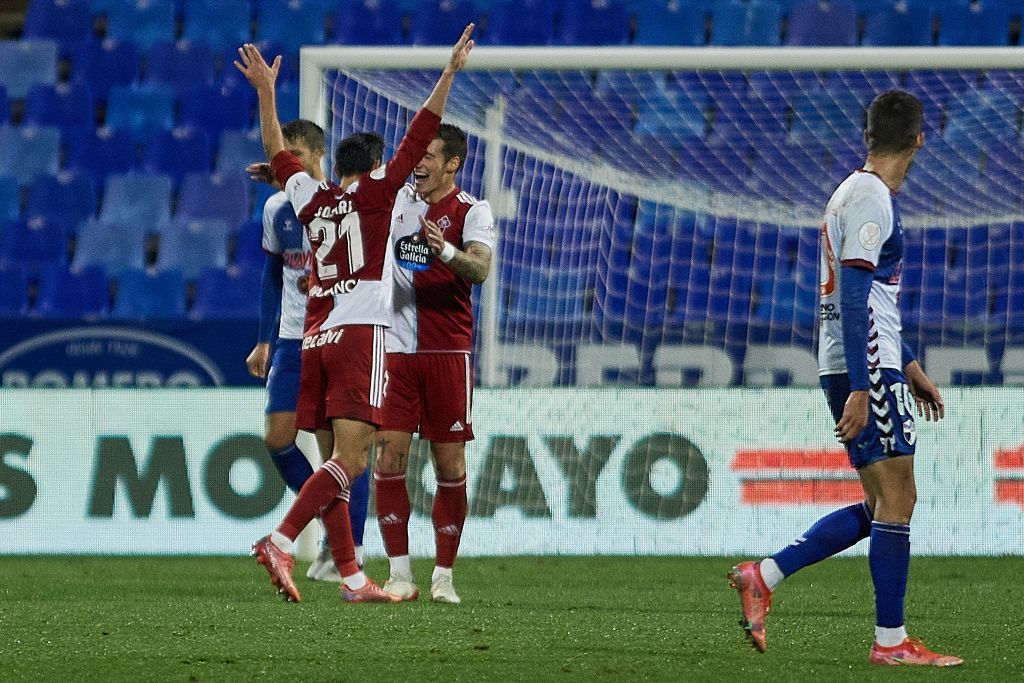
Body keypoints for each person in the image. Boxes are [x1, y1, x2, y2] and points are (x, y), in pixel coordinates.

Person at [234, 22, 474, 604]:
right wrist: (448, 73)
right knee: (352, 458)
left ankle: (352, 576)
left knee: (338, 458)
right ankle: (284, 539)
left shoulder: (309, 196)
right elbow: (420, 135)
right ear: (372, 169)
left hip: (312, 336)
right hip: (360, 335)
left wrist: (266, 93)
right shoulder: (377, 193)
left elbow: (276, 151)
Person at [729, 90, 962, 666]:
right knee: (898, 498)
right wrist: (865, 385)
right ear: (918, 140)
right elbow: (856, 298)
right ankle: (890, 643)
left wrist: (912, 370)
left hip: (869, 362)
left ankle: (765, 574)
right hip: (864, 367)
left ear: (867, 136)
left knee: (882, 502)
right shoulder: (872, 198)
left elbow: (873, 298)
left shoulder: (849, 193)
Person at [243, 118, 370, 583]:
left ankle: (346, 551)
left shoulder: (343, 206)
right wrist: (264, 339)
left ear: (318, 155)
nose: (289, 162)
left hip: (335, 335)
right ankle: (328, 526)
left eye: (296, 154)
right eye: (285, 154)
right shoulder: (278, 208)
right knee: (277, 438)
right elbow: (273, 274)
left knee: (338, 452)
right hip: (293, 341)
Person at [374, 124, 494, 604]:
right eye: (415, 155)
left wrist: (442, 248)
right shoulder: (396, 199)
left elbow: (480, 269)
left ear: (452, 164)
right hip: (396, 352)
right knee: (388, 458)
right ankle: (399, 574)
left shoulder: (471, 210)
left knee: (449, 465)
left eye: (429, 155)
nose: (417, 163)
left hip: (447, 353)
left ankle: (443, 575)